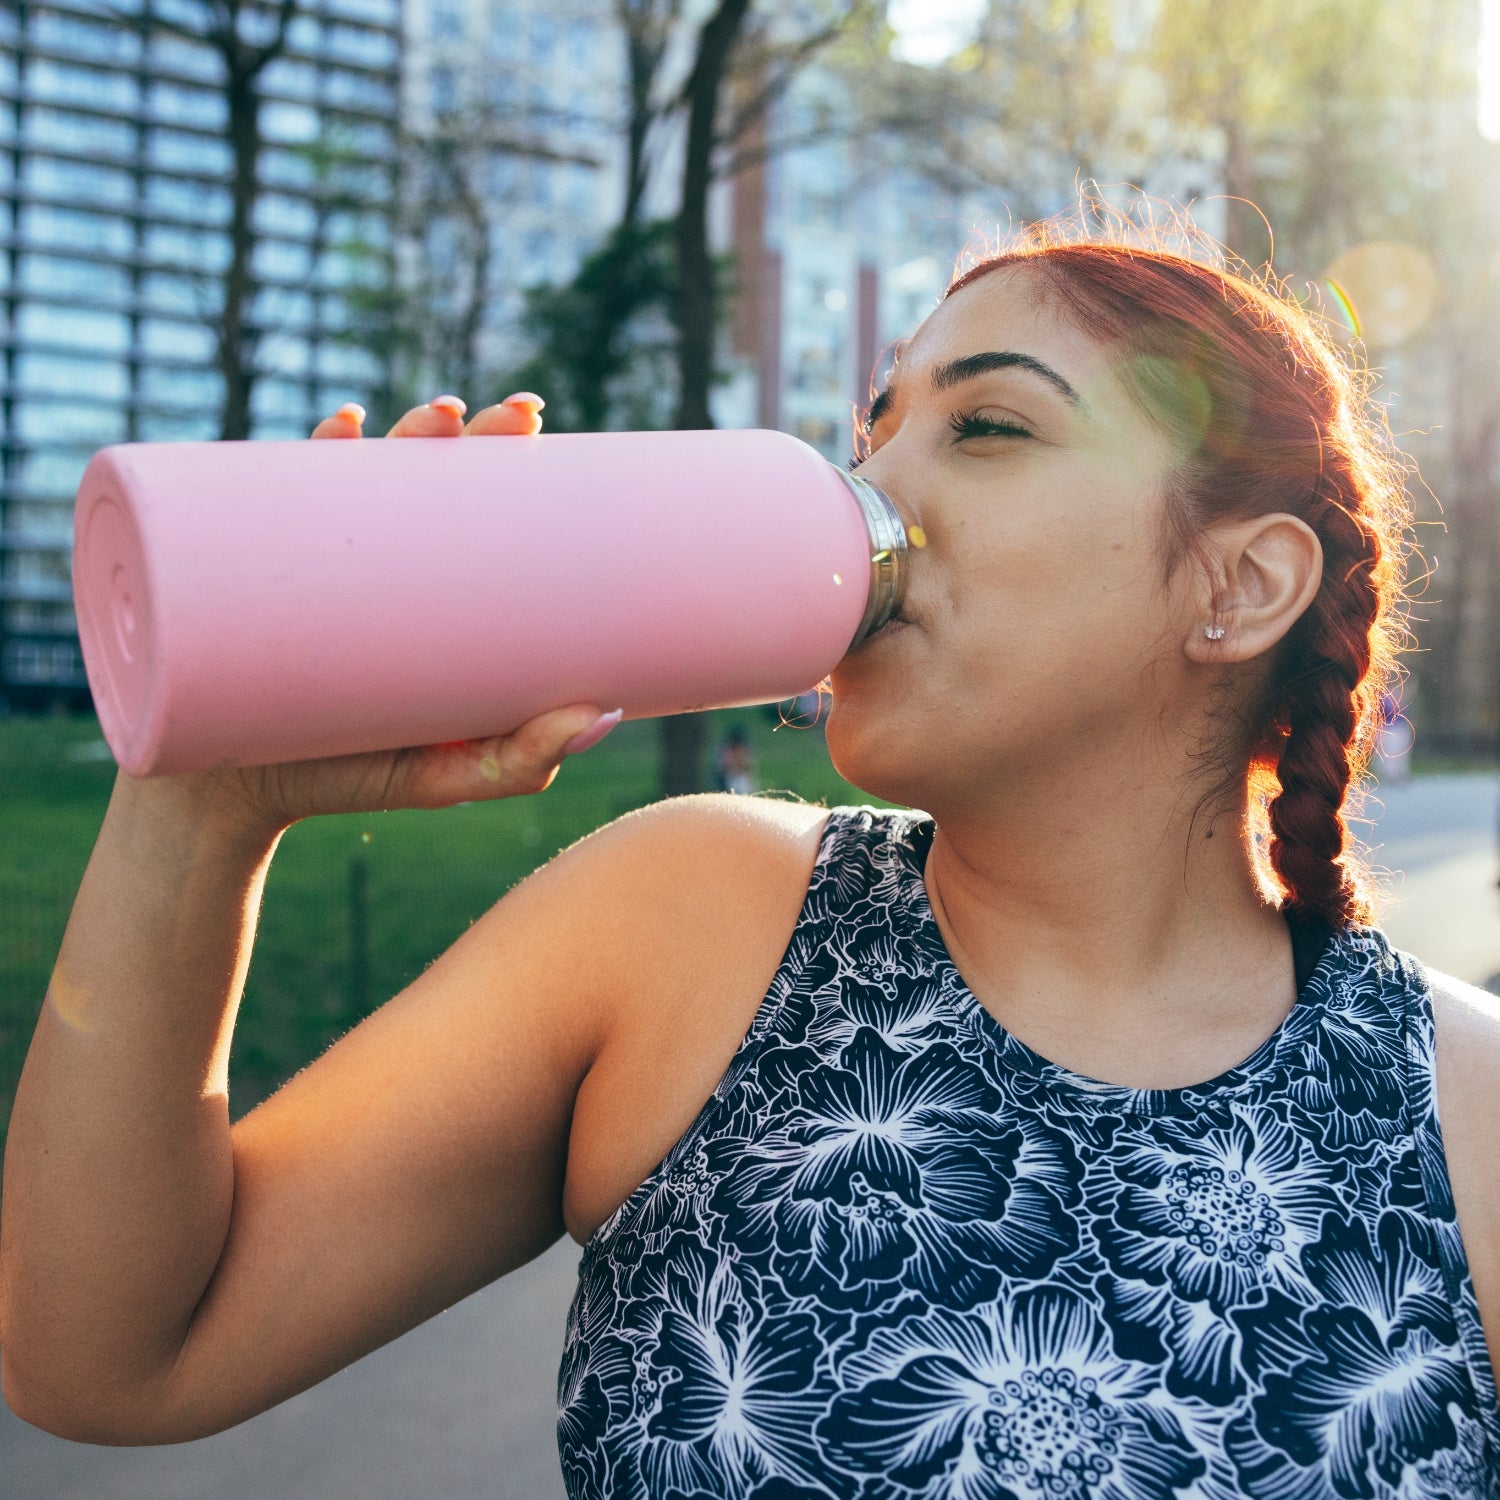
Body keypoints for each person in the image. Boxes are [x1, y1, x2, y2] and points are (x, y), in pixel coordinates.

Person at [5, 220, 1500, 1499]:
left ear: (1239, 586)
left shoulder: (1470, 1115)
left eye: (987, 428)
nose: (875, 490)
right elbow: (115, 1351)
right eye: (874, 430)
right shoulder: (692, 923)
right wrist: (206, 807)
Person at [712, 723, 756, 795]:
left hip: (740, 776)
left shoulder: (743, 750)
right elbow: (723, 766)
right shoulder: (726, 750)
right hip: (727, 777)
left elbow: (747, 765)